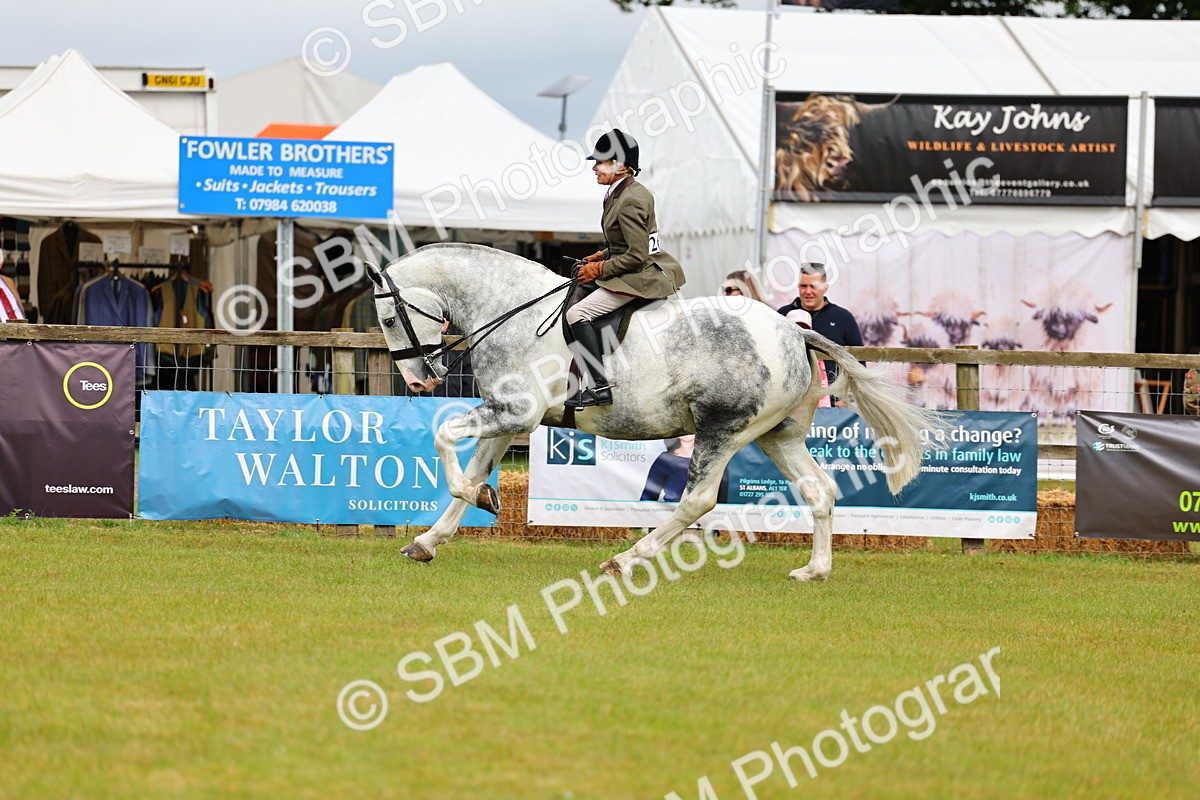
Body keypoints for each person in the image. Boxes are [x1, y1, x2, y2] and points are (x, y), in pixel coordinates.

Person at [565, 129, 686, 409]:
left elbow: (637, 254)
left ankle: (599, 386)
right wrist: (600, 254)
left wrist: (599, 269)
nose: (594, 168)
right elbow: (623, 242)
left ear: (620, 165)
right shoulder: (622, 192)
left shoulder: (630, 199)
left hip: (640, 275)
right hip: (635, 264)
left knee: (577, 312)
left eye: (601, 162)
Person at [776, 262, 862, 388]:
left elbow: (858, 360)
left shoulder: (843, 318)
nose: (808, 291)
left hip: (834, 400)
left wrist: (847, 397)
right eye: (803, 286)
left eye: (813, 286)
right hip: (792, 397)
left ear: (825, 288)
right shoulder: (783, 315)